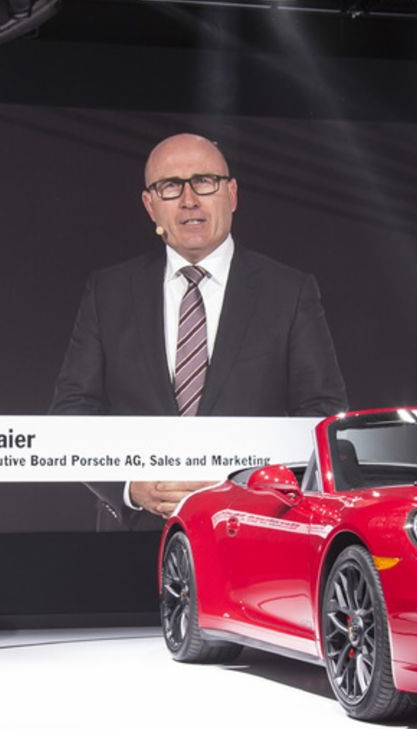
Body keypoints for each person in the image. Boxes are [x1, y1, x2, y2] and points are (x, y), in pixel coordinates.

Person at [50, 133, 347, 530]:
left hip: (253, 530)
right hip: (136, 535)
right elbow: (73, 412)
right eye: (170, 187)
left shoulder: (289, 291)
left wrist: (253, 488)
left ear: (232, 194)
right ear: (150, 206)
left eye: (204, 181)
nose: (189, 200)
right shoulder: (109, 291)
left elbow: (322, 414)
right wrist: (128, 487)